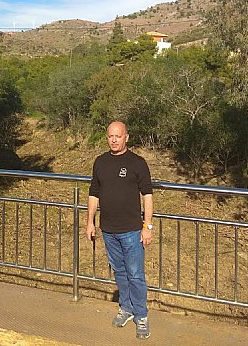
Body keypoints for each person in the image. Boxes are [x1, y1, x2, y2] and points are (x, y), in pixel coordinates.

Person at [86, 121, 154, 340]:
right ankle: (126, 308)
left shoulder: (137, 163)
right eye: (110, 136)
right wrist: (90, 222)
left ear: (127, 137)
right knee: (120, 272)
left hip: (132, 230)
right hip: (108, 229)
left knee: (135, 275)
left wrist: (148, 226)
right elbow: (93, 194)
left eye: (118, 136)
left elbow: (148, 196)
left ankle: (141, 316)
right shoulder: (100, 162)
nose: (113, 140)